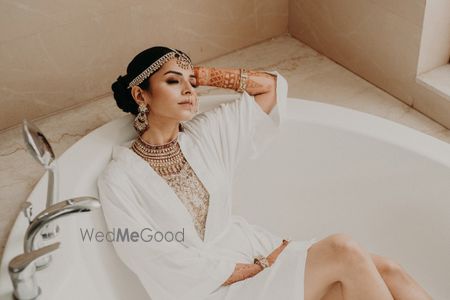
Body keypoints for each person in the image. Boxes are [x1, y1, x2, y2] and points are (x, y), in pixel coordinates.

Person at [97, 46, 432, 300]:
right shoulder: (121, 177)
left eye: (190, 82)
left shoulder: (203, 137)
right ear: (141, 94)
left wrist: (205, 74)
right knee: (342, 249)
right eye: (173, 81)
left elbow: (270, 88)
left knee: (387, 269)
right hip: (212, 288)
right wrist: (259, 267)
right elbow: (151, 257)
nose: (188, 90)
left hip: (256, 256)